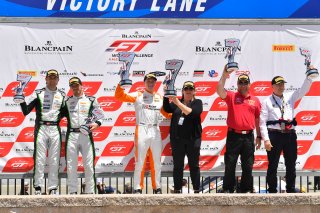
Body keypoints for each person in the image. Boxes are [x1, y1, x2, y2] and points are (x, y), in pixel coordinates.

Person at [114, 73, 171, 194]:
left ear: (156, 83)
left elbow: (167, 114)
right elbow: (119, 96)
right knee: (139, 161)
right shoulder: (138, 94)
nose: (151, 83)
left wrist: (182, 112)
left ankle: (157, 187)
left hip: (155, 130)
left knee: (156, 161)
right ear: (144, 82)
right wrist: (121, 83)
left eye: (153, 81)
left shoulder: (160, 97)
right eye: (148, 81)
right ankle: (137, 188)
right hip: (141, 129)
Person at [260, 72, 314, 193]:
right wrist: (266, 140)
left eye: (283, 84)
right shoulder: (266, 101)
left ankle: (290, 188)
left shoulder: (290, 96)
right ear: (272, 86)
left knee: (291, 164)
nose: (281, 87)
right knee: (272, 164)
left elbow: (303, 91)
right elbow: (262, 122)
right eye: (278, 84)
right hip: (274, 135)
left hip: (289, 135)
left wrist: (309, 78)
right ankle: (272, 189)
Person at [19, 69, 65, 195]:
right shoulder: (38, 93)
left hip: (55, 128)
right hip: (41, 128)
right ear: (46, 79)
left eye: (54, 77)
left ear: (57, 80)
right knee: (39, 158)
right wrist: (21, 99)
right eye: (49, 77)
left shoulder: (62, 95)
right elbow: (26, 111)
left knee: (54, 159)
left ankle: (52, 187)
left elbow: (66, 112)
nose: (52, 79)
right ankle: (38, 187)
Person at [216, 66, 261, 193]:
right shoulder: (231, 96)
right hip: (233, 135)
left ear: (249, 84)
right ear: (237, 84)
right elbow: (219, 90)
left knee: (248, 166)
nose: (243, 85)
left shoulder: (255, 100)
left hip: (248, 136)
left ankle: (246, 190)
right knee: (230, 164)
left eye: (245, 82)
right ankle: (228, 189)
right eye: (240, 82)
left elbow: (258, 119)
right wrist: (224, 75)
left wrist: (259, 136)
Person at [63, 77, 104, 194]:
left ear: (81, 85)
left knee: (89, 165)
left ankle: (90, 192)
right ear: (70, 88)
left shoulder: (91, 100)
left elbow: (100, 115)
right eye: (72, 86)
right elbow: (57, 114)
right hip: (72, 135)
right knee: (71, 165)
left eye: (77, 85)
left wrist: (97, 124)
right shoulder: (67, 101)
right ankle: (72, 192)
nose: (75, 88)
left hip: (86, 136)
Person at [163, 81, 202, 193]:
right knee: (178, 166)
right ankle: (177, 189)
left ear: (194, 91)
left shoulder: (197, 102)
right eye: (186, 89)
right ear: (183, 91)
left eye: (191, 89)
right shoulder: (177, 102)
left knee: (194, 165)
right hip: (177, 140)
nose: (188, 91)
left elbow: (192, 113)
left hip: (193, 139)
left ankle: (196, 190)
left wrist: (178, 103)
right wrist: (166, 94)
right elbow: (166, 108)